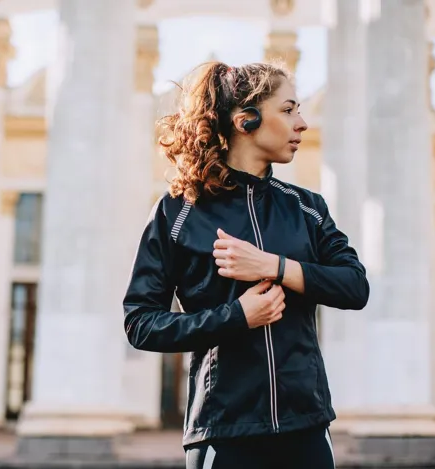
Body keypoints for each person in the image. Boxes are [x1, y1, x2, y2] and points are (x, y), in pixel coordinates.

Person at [122, 60, 369, 469]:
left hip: (306, 427)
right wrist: (236, 317)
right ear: (245, 120)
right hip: (224, 432)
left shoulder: (307, 207)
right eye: (288, 109)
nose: (302, 123)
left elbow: (355, 286)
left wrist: (273, 265)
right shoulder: (178, 212)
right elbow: (141, 322)